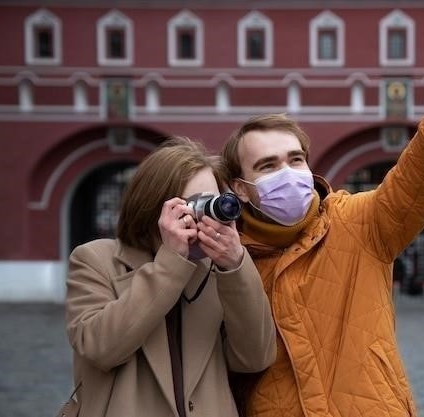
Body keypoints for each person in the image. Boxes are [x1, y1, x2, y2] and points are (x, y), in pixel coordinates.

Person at [222, 56, 424, 417]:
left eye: (296, 159)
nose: (287, 173)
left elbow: (411, 185)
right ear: (240, 188)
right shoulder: (230, 260)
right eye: (268, 165)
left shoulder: (357, 222)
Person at [65, 137, 277, 417]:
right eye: (196, 204)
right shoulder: (95, 260)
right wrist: (172, 262)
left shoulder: (217, 272)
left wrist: (236, 265)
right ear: (154, 206)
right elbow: (101, 348)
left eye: (213, 202)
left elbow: (254, 358)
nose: (207, 215)